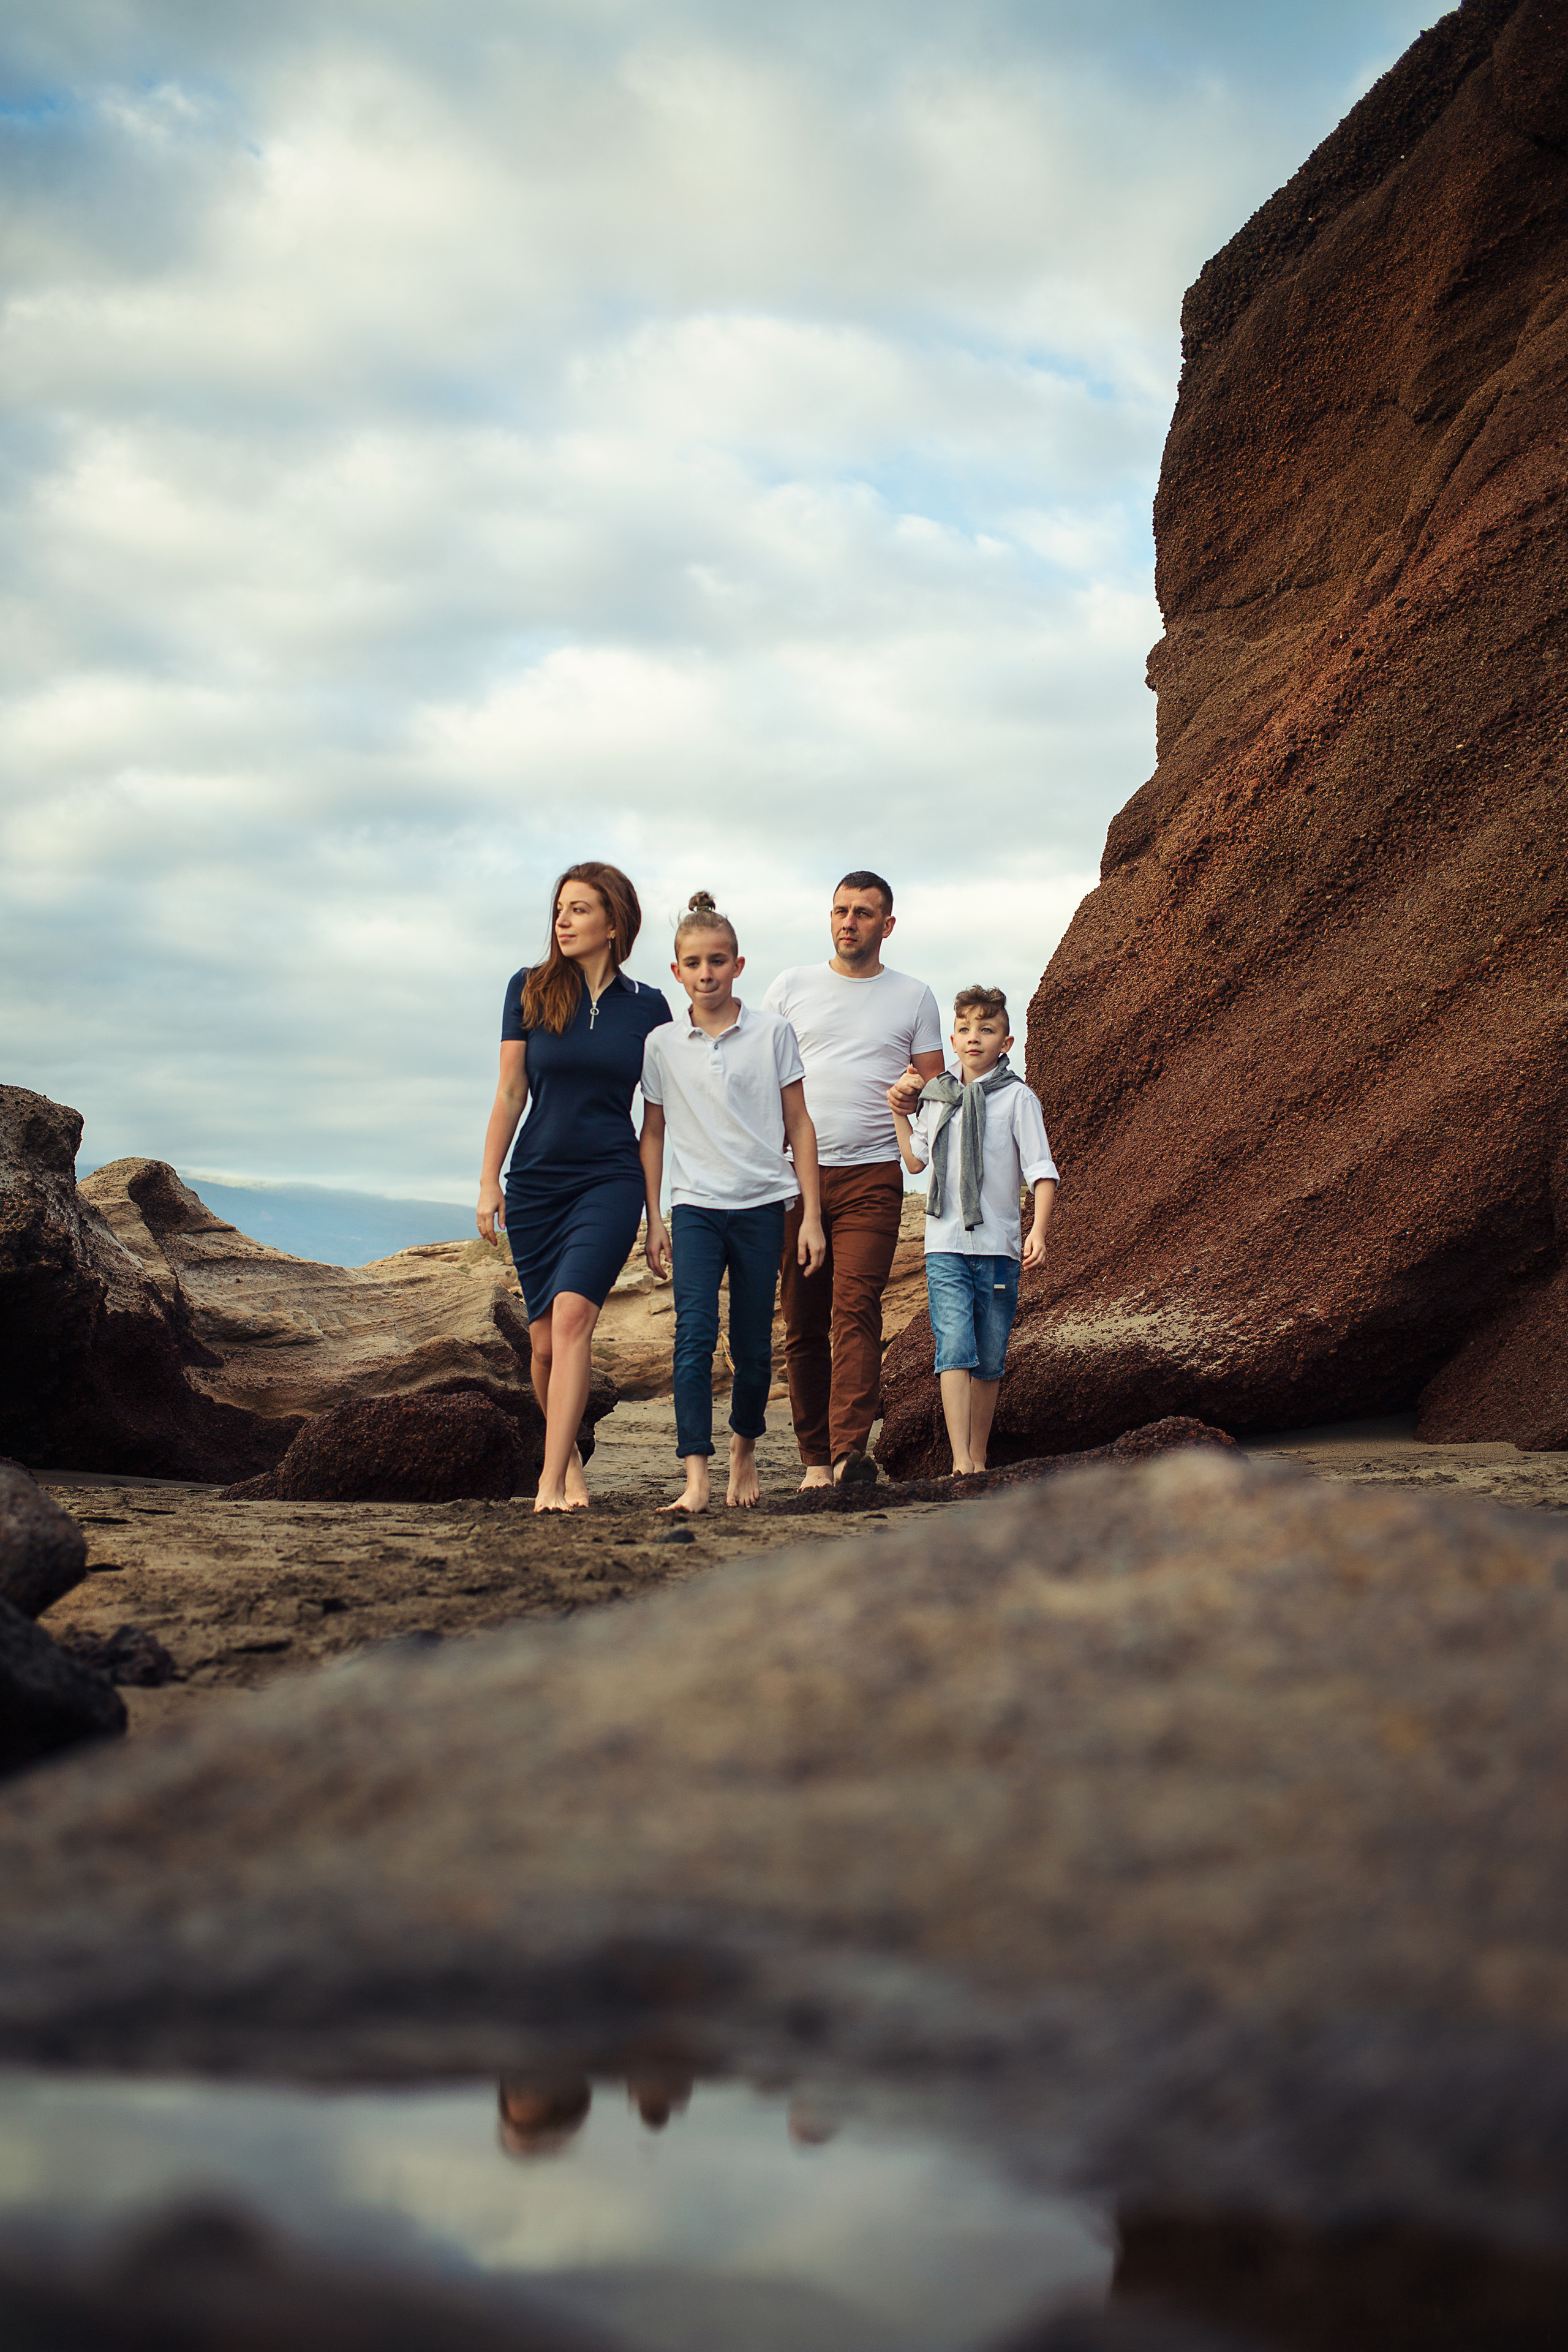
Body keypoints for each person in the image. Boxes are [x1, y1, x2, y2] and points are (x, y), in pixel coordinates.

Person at [477, 861, 671, 1513]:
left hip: (609, 1179)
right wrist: (488, 1182)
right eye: (560, 908)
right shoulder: (528, 988)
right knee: (541, 1344)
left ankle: (546, 1482)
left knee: (573, 1316)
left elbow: (656, 1121)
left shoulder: (649, 1007)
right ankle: (574, 1475)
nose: (562, 919)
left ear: (614, 924)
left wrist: (655, 1212)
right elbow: (510, 1092)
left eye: (580, 909)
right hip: (535, 1182)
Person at [640, 892, 826, 1513]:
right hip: (694, 1209)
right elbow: (655, 1133)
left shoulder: (772, 1032)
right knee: (693, 1338)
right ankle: (695, 1479)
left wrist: (811, 1218)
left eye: (717, 960)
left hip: (761, 1208)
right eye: (693, 963)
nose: (706, 973)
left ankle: (743, 1451)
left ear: (737, 964)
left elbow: (800, 1124)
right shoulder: (662, 1044)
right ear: (677, 972)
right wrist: (655, 1219)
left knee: (751, 1348)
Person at [761, 872, 944, 1489]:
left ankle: (847, 1456)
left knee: (856, 1308)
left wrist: (915, 1087)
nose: (849, 922)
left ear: (886, 925)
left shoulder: (913, 996)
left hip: (872, 1173)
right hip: (793, 1178)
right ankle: (814, 1458)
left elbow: (937, 1081)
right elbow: (755, 1069)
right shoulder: (791, 987)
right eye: (840, 910)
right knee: (803, 1322)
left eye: (864, 913)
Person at [888, 985, 1058, 1477]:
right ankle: (961, 1461)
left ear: (1005, 1043)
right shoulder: (935, 1098)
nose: (974, 1038)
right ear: (953, 1038)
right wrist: (901, 1113)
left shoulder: (1019, 1099)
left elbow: (1041, 1171)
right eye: (964, 1030)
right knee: (954, 1348)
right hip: (944, 1246)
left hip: (999, 1250)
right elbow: (916, 1160)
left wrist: (1039, 1232)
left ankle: (979, 1455)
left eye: (986, 1030)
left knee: (989, 1355)